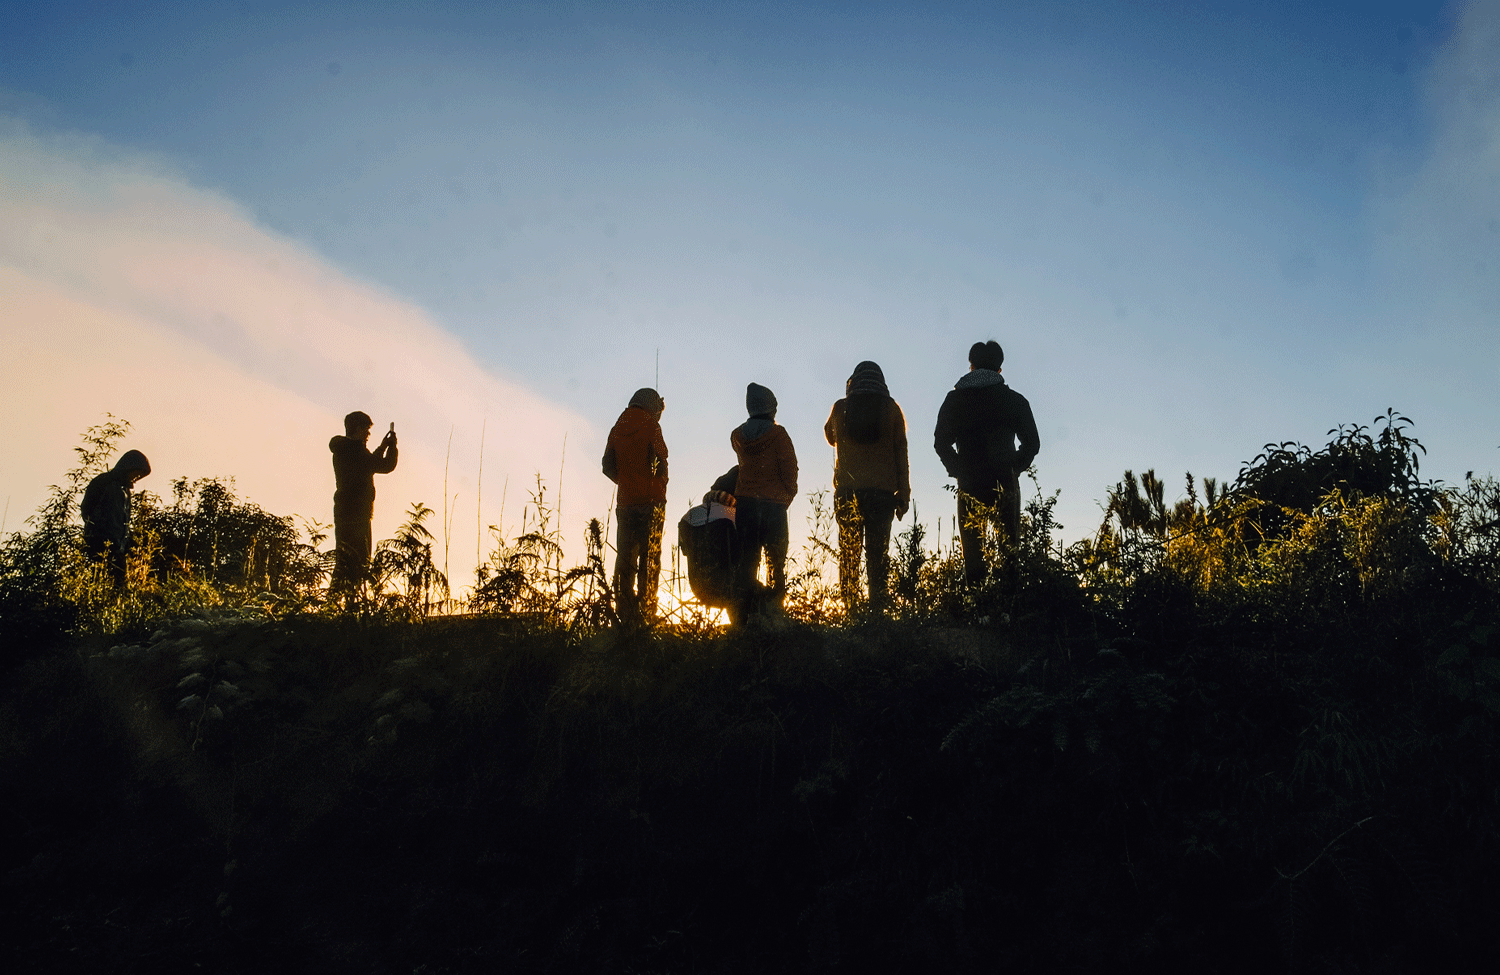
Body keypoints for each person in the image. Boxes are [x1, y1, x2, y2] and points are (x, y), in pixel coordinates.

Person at [934, 340, 1040, 586]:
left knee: (972, 548)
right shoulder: (1014, 400)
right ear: (999, 369)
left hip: (970, 481)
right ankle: (1007, 609)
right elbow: (1032, 443)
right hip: (1004, 481)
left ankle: (978, 608)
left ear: (971, 366)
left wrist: (959, 470)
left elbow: (941, 442)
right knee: (1009, 549)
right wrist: (1013, 468)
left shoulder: (955, 400)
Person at [824, 361, 910, 614]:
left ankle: (851, 612)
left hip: (848, 492)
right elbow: (901, 452)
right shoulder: (891, 409)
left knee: (849, 555)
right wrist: (903, 494)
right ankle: (877, 613)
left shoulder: (841, 407)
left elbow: (830, 436)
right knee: (878, 558)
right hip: (882, 494)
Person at [719, 382, 798, 622]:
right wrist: (786, 498)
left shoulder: (737, 436)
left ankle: (743, 618)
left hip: (745, 507)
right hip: (774, 507)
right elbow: (790, 470)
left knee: (746, 564)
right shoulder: (779, 435)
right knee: (776, 563)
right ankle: (774, 614)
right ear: (771, 408)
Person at [601, 387, 669, 622]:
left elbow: (607, 466)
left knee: (625, 560)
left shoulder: (617, 428)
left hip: (626, 503)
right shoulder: (652, 426)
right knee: (650, 558)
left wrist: (627, 482)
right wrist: (656, 486)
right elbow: (661, 462)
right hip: (652, 503)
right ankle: (647, 613)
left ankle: (625, 615)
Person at [329, 411, 398, 593]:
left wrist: (383, 446)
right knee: (358, 563)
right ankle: (351, 607)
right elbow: (383, 465)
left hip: (346, 513)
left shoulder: (345, 450)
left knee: (344, 563)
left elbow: (369, 464)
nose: (368, 434)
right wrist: (391, 447)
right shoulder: (355, 450)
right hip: (358, 515)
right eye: (367, 430)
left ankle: (336, 606)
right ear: (358, 429)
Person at [80, 449, 152, 587]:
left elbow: (123, 523)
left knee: (118, 588)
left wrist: (127, 544)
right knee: (97, 584)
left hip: (118, 549)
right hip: (99, 545)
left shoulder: (125, 491)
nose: (136, 478)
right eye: (136, 473)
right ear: (129, 467)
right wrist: (97, 533)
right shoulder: (103, 483)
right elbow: (86, 510)